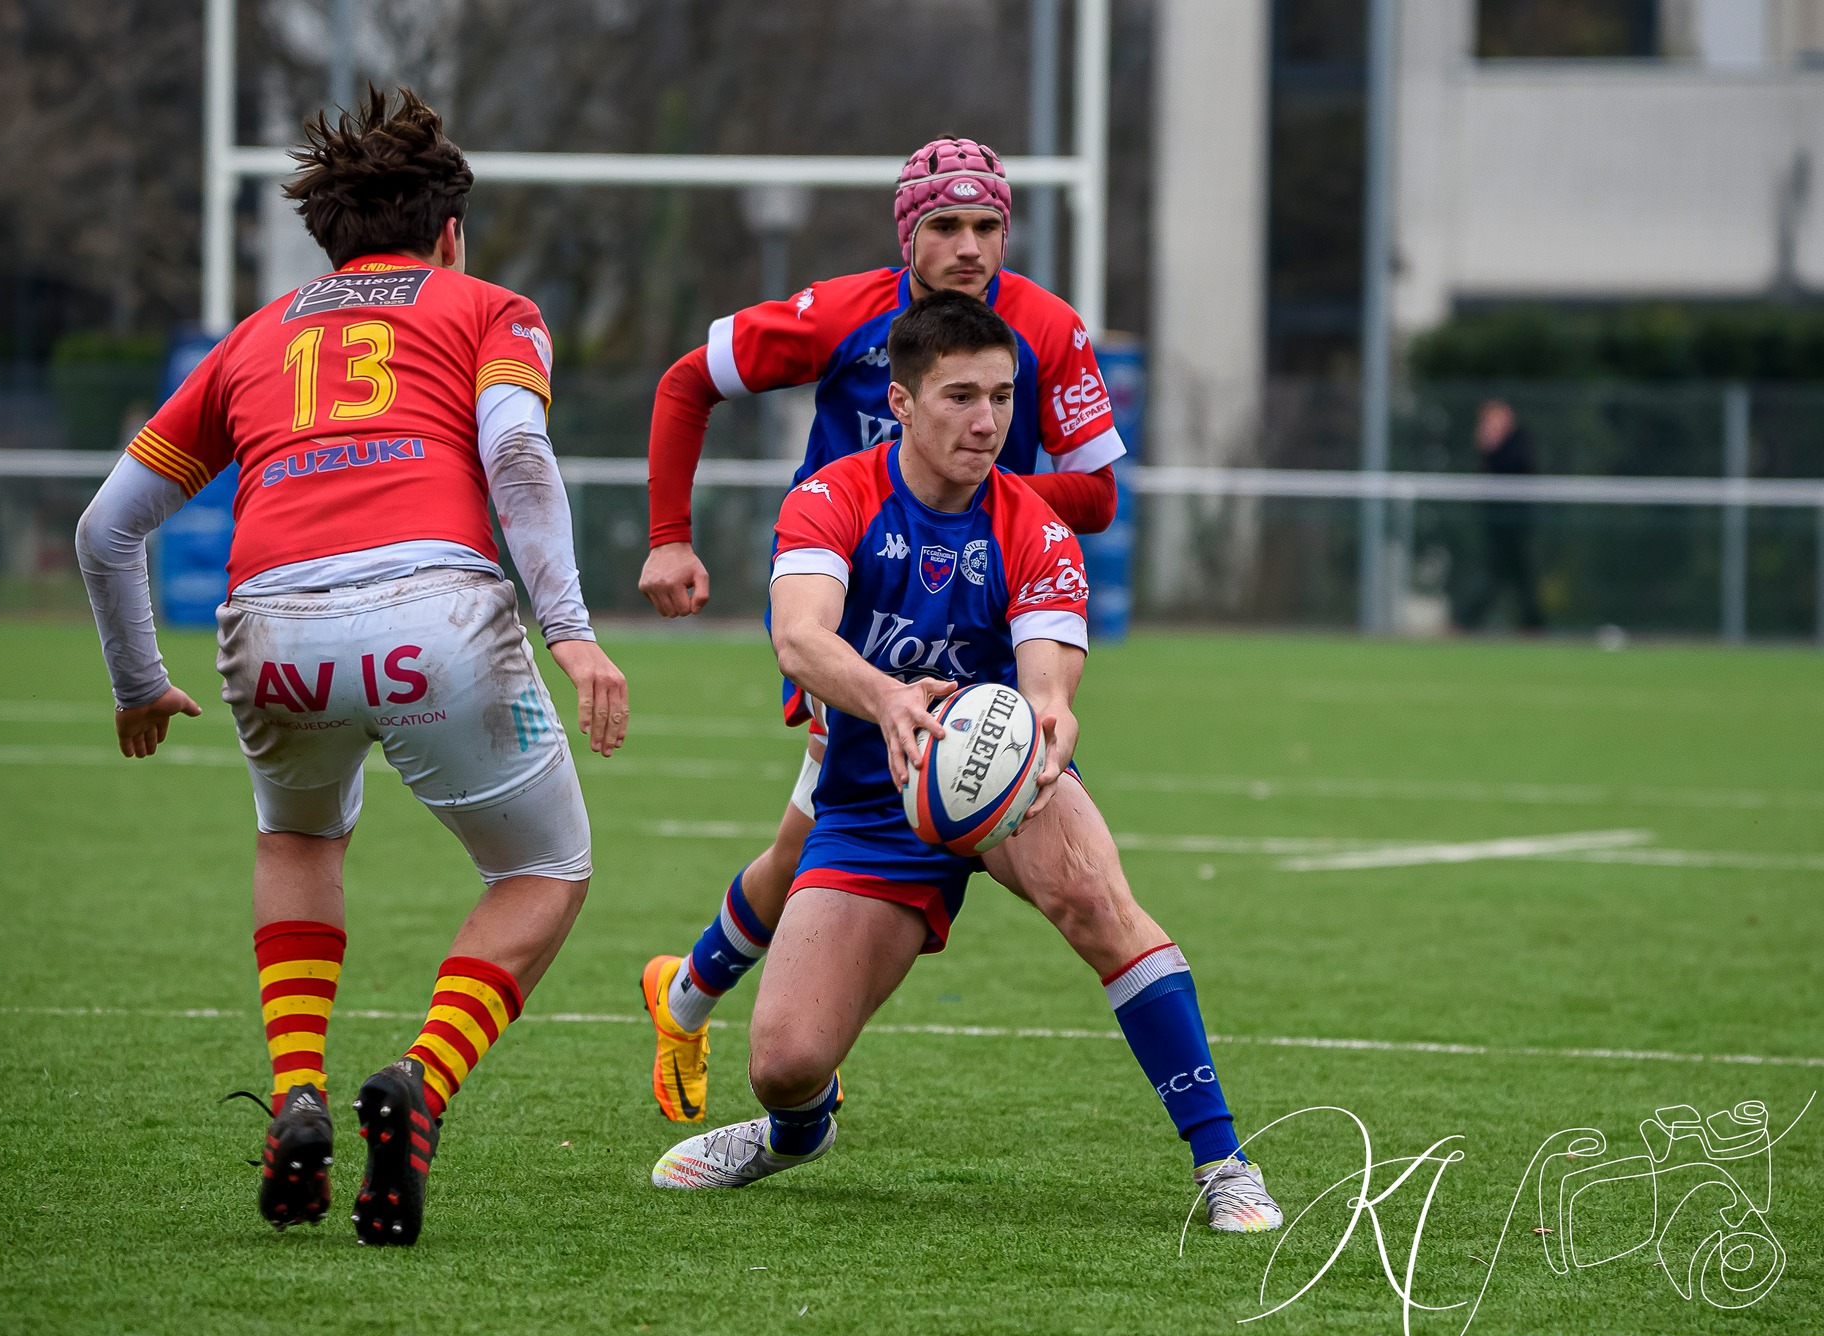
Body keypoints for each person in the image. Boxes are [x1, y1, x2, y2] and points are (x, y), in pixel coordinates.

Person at [73, 89, 628, 1247]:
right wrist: (569, 627)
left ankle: (296, 1094)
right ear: (449, 234)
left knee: (300, 837)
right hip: (437, 613)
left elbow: (105, 529)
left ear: (323, 239)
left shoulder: (252, 338)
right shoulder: (488, 307)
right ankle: (418, 1083)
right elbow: (515, 453)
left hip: (269, 625)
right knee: (545, 869)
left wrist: (138, 680)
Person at [648, 293, 1280, 1231]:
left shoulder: (1036, 525)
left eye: (1001, 396)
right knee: (783, 1061)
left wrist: (1048, 726)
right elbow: (800, 638)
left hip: (1005, 774)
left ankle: (1224, 1161)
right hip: (873, 802)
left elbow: (1049, 679)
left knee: (1097, 903)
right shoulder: (832, 499)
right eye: (959, 397)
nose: (987, 422)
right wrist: (888, 697)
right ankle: (795, 1133)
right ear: (900, 402)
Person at [1459, 398, 1544, 631]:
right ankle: (1533, 623)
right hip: (1496, 521)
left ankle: (1465, 620)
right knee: (1513, 573)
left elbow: (1518, 468)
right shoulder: (1490, 447)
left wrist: (1492, 446)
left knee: (1504, 573)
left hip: (1515, 521)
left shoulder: (1518, 443)